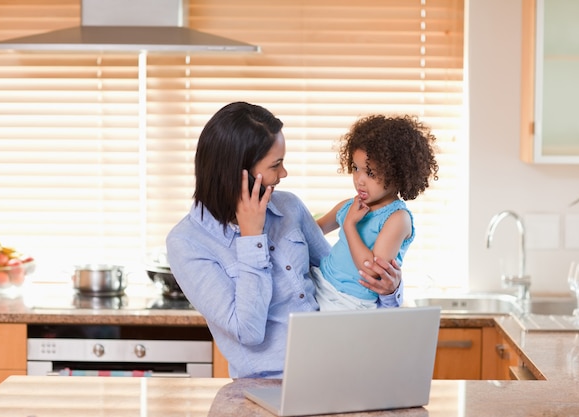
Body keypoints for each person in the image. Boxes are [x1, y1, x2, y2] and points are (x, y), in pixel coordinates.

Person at [166, 102, 404, 379]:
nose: (284, 174)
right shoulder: (187, 243)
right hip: (267, 385)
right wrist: (252, 238)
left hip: (337, 368)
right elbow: (248, 331)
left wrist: (390, 291)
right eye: (275, 165)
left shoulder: (289, 207)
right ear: (237, 172)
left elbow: (339, 280)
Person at [313, 114, 439, 311]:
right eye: (356, 168)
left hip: (350, 302)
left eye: (370, 173)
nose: (359, 180)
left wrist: (349, 226)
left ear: (397, 174)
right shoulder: (349, 205)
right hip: (321, 283)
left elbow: (371, 270)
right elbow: (313, 231)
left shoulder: (397, 219)